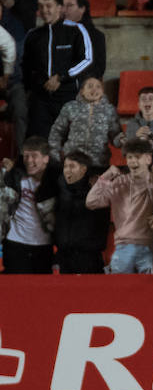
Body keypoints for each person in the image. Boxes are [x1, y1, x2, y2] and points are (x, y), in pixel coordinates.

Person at [86, 139, 153, 273]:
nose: (133, 161)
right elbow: (91, 202)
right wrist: (106, 176)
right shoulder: (119, 182)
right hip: (123, 247)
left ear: (148, 159)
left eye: (138, 157)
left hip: (152, 247)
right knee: (120, 291)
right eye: (130, 157)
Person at [20, 0, 91, 141]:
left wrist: (61, 77)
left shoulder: (76, 30)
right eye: (40, 6)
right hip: (40, 98)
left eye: (49, 6)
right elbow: (25, 66)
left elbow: (86, 59)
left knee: (68, 142)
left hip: (68, 96)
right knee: (37, 142)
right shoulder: (33, 35)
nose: (44, 10)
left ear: (60, 7)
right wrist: (28, 91)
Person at [0, 136, 59, 273]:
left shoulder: (56, 182)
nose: (29, 161)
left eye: (34, 156)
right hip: (15, 244)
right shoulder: (14, 177)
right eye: (26, 156)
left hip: (43, 246)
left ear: (46, 158)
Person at [52, 149, 108, 274]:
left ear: (83, 169)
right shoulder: (59, 189)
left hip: (88, 258)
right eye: (65, 166)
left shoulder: (96, 191)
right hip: (64, 255)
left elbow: (102, 224)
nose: (67, 170)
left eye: (72, 166)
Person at [48, 75, 120, 169]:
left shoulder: (110, 110)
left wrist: (121, 140)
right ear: (82, 91)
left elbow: (115, 135)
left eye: (98, 87)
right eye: (90, 86)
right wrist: (55, 154)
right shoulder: (70, 107)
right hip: (72, 161)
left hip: (98, 162)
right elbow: (56, 131)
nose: (94, 90)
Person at [62, 0, 106, 82]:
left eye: (70, 6)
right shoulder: (53, 31)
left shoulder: (96, 36)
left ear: (82, 9)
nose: (64, 10)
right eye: (62, 5)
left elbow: (97, 69)